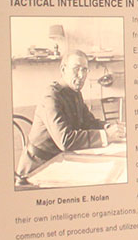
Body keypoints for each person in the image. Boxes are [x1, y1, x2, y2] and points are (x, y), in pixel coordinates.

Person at [16, 50, 124, 182]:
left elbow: (88, 122)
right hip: (37, 168)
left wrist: (110, 127)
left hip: (60, 161)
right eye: (76, 69)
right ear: (63, 69)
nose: (81, 75)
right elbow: (65, 140)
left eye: (85, 70)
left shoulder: (74, 92)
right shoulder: (51, 96)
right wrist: (106, 135)